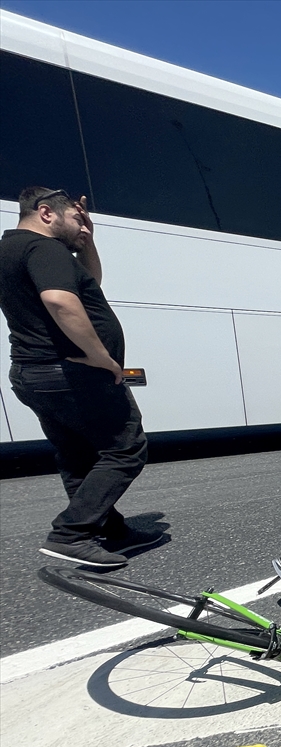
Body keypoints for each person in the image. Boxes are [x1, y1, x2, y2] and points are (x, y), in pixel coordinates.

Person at [0, 187, 159, 568]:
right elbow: (60, 299)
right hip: (71, 373)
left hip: (33, 373)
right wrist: (100, 356)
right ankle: (71, 534)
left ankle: (110, 530)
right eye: (76, 218)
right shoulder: (43, 248)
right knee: (126, 448)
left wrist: (88, 239)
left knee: (77, 455)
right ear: (46, 213)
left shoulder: (12, 248)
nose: (81, 224)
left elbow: (88, 283)